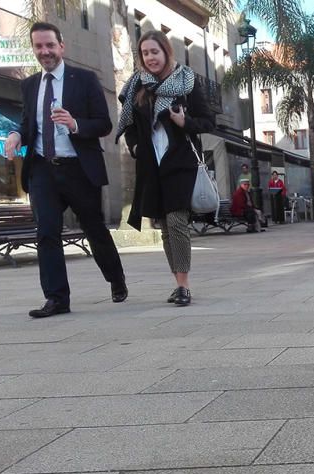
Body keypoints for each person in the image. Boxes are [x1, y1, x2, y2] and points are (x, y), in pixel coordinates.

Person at [4, 22, 127, 318]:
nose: (45, 52)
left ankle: (116, 278)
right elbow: (27, 123)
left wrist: (75, 124)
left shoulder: (84, 79)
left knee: (94, 228)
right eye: (39, 47)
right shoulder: (30, 84)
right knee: (46, 232)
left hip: (78, 168)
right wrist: (16, 135)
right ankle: (57, 299)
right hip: (42, 169)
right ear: (34, 49)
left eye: (50, 45)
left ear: (62, 46)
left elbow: (104, 123)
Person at [115, 30, 215, 307]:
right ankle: (178, 282)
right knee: (165, 229)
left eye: (154, 52)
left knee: (176, 221)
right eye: (145, 53)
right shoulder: (136, 85)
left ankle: (183, 286)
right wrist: (134, 146)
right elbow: (129, 127)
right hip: (151, 166)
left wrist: (186, 123)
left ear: (166, 52)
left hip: (180, 162)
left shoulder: (186, 80)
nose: (150, 57)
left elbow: (208, 121)